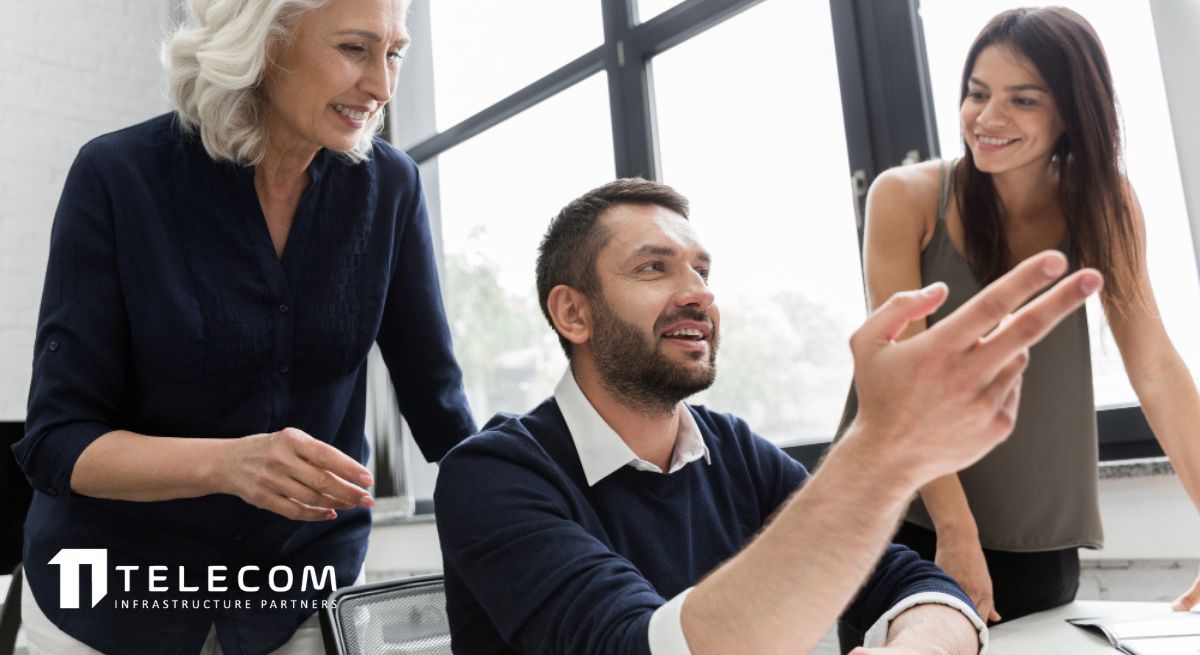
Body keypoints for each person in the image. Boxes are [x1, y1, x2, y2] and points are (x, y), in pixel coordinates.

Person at [434, 178, 1103, 654]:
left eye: (702, 270)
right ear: (573, 313)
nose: (699, 293)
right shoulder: (492, 476)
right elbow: (636, 646)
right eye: (654, 268)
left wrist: (916, 646)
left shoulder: (730, 448)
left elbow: (916, 582)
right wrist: (881, 449)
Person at [11, 1, 475, 653]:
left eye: (394, 54)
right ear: (266, 42)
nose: (382, 86)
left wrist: (541, 508)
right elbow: (57, 442)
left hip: (300, 586)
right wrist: (229, 463)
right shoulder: (118, 176)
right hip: (111, 593)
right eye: (354, 49)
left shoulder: (391, 187)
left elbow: (440, 407)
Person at [845, 5, 1200, 630]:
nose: (988, 118)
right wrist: (956, 533)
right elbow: (905, 384)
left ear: (1072, 113)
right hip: (905, 519)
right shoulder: (904, 196)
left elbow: (1154, 366)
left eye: (1023, 100)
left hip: (1036, 530)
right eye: (977, 93)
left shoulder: (1104, 203)